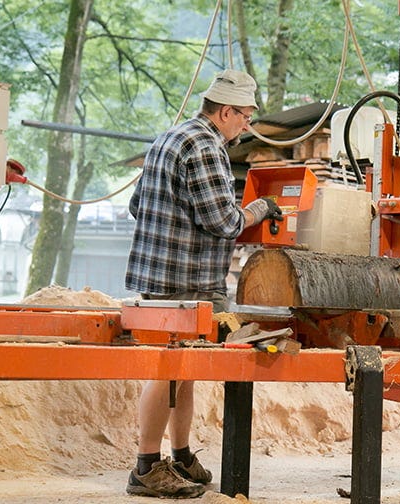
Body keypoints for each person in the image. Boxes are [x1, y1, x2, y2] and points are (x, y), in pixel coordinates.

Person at [124, 69, 282, 499]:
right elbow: (224, 221)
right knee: (168, 372)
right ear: (226, 111)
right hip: (186, 282)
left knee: (183, 373)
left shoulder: (168, 138)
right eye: (245, 116)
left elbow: (138, 205)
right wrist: (262, 208)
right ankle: (145, 468)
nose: (245, 125)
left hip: (158, 278)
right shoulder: (207, 145)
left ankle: (180, 455)